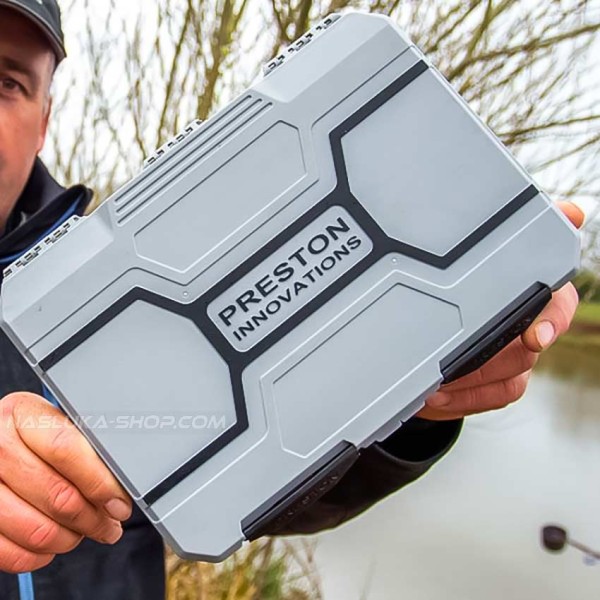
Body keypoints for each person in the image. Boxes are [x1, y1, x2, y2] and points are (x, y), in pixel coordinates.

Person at [0, 1, 584, 598]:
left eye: (8, 82)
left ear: (44, 119)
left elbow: (254, 492)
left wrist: (416, 392)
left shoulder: (81, 298)